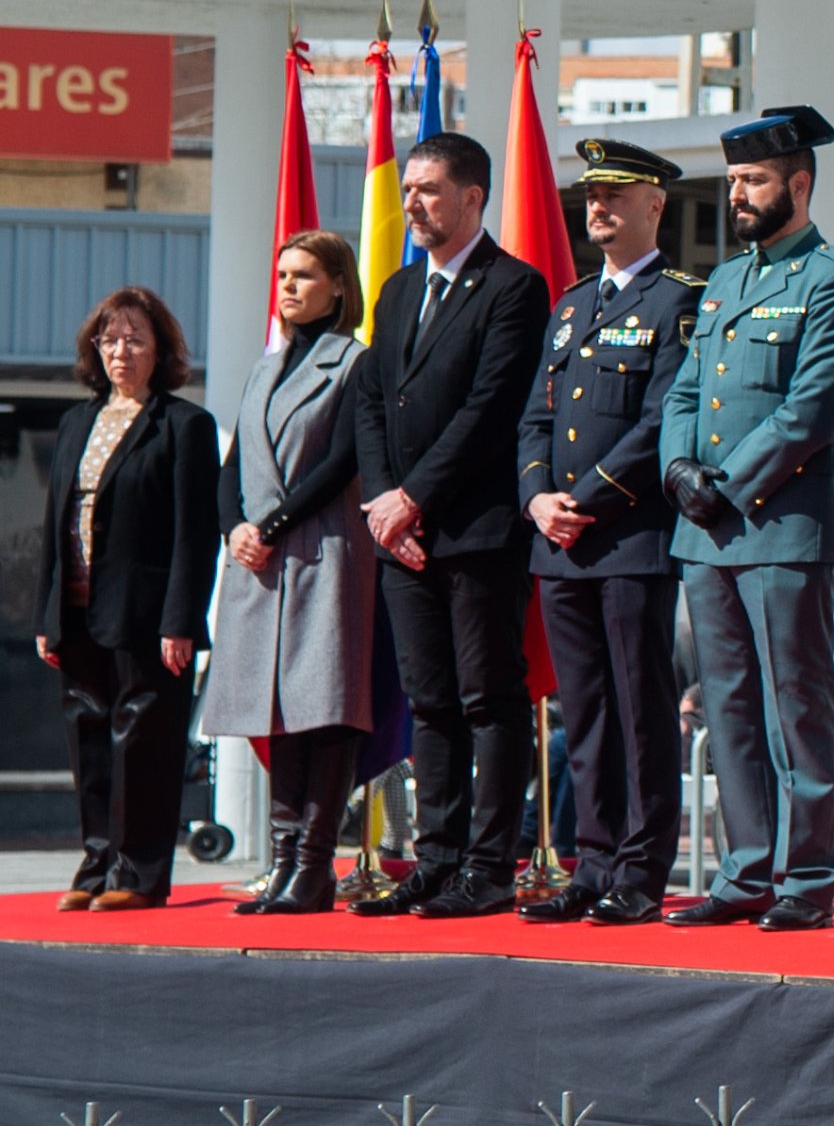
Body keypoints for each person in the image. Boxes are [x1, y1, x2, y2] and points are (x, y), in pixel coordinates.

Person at [657, 105, 834, 932]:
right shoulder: (724, 279)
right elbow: (685, 391)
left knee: (797, 705)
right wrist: (679, 469)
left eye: (753, 181)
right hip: (707, 533)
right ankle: (746, 871)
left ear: (799, 182)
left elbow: (813, 409)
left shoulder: (833, 280)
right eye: (735, 181)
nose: (739, 195)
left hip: (781, 527)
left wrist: (725, 482)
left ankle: (808, 874)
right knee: (728, 708)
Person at [346, 127, 553, 919]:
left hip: (476, 529)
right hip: (403, 535)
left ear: (473, 196)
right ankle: (435, 859)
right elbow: (372, 398)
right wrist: (383, 499)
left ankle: (490, 865)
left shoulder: (513, 287)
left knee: (485, 698)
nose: (412, 204)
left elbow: (491, 409)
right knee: (428, 699)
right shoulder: (397, 290)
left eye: (428, 190)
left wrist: (415, 497)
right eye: (407, 191)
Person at [515, 136, 700, 925]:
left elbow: (660, 421)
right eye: (592, 195)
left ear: (655, 205)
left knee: (638, 708)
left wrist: (580, 497)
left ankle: (641, 866)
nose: (598, 208)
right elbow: (534, 420)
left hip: (627, 539)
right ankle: (592, 860)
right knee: (583, 709)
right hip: (560, 543)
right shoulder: (571, 304)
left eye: (616, 195)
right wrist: (537, 500)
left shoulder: (678, 299)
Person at [31, 287, 215, 911]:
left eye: (135, 339)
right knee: (87, 733)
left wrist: (182, 618)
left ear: (159, 349)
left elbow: (195, 534)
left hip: (147, 613)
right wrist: (46, 615)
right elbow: (55, 526)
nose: (121, 351)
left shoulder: (186, 424)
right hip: (77, 610)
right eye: (109, 340)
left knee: (145, 742)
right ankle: (96, 864)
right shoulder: (76, 421)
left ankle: (139, 874)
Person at [209, 231, 376, 914]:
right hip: (257, 563)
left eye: (304, 275)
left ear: (338, 285)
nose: (288, 286)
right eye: (282, 273)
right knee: (271, 713)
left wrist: (270, 527)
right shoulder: (264, 366)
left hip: (322, 552)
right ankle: (282, 862)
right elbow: (233, 468)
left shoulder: (353, 362)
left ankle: (312, 865)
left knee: (322, 708)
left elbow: (340, 461)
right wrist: (235, 529)